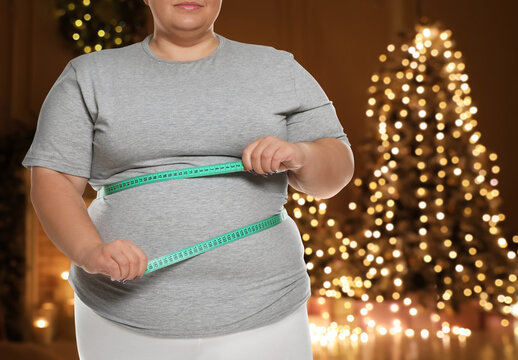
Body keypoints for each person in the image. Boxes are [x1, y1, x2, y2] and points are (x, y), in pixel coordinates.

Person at [21, 0, 354, 358]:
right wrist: (90, 252)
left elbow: (335, 172)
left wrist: (301, 154)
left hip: (267, 304)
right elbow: (53, 179)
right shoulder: (88, 76)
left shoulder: (278, 68)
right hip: (119, 311)